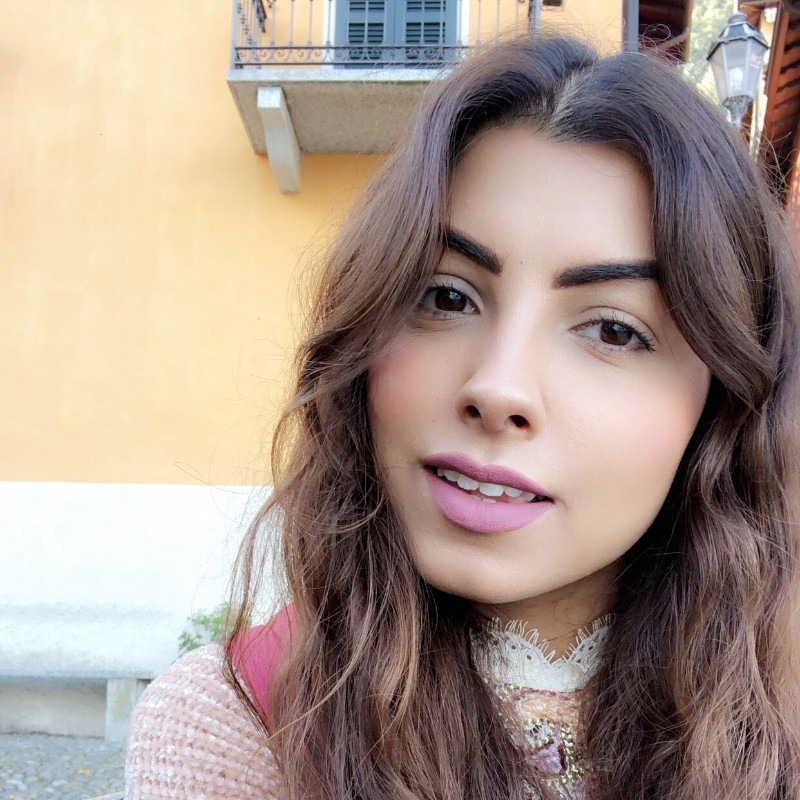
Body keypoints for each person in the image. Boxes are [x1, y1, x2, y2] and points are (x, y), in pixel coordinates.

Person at [125, 35, 800, 800]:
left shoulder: (777, 726)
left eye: (614, 330)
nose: (498, 388)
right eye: (446, 296)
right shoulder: (240, 725)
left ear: (723, 407)